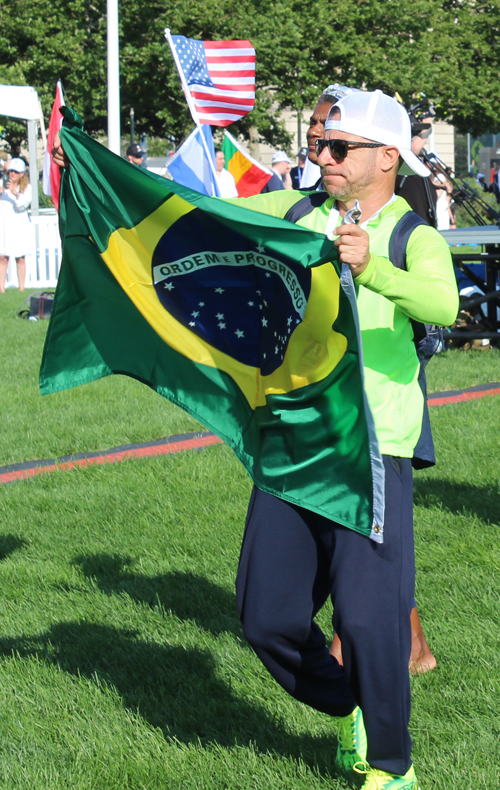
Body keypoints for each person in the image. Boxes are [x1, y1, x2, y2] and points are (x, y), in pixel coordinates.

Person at [233, 90, 458, 790]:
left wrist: (373, 269)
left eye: (338, 148)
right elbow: (209, 213)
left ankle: (392, 767)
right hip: (292, 443)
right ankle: (349, 705)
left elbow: (446, 304)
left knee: (366, 619)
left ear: (386, 158)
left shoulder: (409, 234)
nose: (321, 157)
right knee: (265, 618)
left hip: (373, 449)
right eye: (320, 146)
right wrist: (91, 172)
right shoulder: (298, 211)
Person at [395, 115, 438, 227]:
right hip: (409, 229)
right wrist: (426, 129)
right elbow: (413, 148)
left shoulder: (414, 175)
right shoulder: (401, 165)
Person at [0, 157, 32, 293]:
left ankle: (21, 288)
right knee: (2, 257)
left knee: (20, 257)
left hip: (19, 227)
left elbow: (22, 205)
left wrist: (14, 192)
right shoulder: (2, 186)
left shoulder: (26, 188)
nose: (12, 174)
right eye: (11, 171)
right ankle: (1, 288)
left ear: (22, 174)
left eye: (16, 172)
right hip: (4, 225)